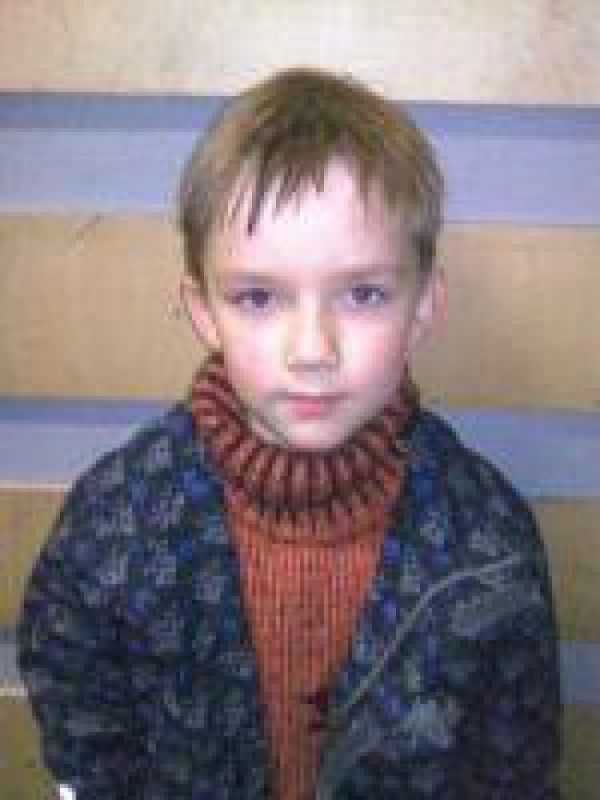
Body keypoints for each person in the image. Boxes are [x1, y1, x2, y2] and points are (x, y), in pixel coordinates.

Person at [18, 67, 561, 799]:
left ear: (424, 308)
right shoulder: (113, 526)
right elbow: (84, 747)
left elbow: (514, 774)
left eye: (363, 293)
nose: (312, 350)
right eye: (258, 297)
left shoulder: (488, 544)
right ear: (204, 312)